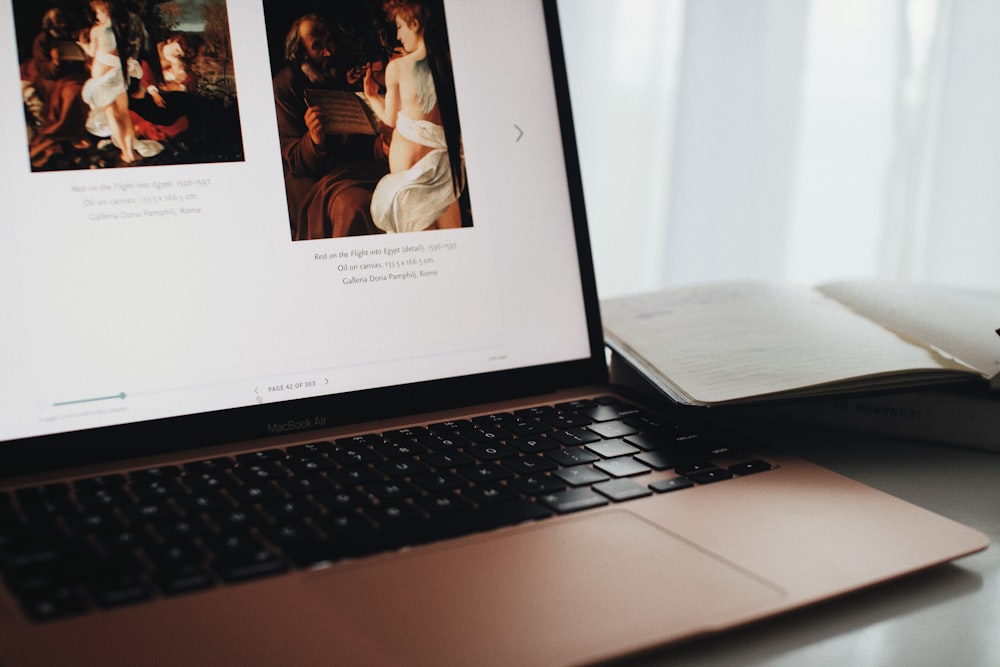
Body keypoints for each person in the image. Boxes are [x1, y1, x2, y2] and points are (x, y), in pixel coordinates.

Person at [273, 13, 388, 240]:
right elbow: (293, 161)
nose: (328, 52)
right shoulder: (284, 86)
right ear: (300, 53)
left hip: (352, 169)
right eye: (318, 46)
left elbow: (357, 139)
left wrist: (379, 145)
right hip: (310, 180)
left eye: (329, 42)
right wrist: (314, 140)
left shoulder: (336, 73)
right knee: (355, 205)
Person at [362, 0, 462, 233]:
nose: (398, 36)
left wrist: (372, 96)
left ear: (414, 24)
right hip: (444, 162)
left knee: (419, 246)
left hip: (406, 158)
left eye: (399, 27)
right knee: (451, 236)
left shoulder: (397, 68)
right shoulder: (449, 62)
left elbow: (389, 118)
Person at [79, 0, 161, 163]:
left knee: (112, 116)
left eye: (97, 12)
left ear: (104, 11)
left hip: (103, 79)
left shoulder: (97, 30)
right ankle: (131, 152)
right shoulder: (124, 28)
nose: (96, 15)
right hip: (118, 75)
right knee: (124, 116)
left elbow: (93, 51)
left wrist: (83, 44)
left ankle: (125, 153)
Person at [25, 8, 88, 167]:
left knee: (83, 89)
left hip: (76, 75)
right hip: (52, 79)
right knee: (71, 93)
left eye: (63, 18)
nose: (62, 22)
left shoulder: (72, 34)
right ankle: (65, 132)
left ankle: (81, 131)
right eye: (58, 20)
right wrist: (55, 63)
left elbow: (82, 58)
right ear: (50, 23)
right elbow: (44, 70)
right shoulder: (42, 40)